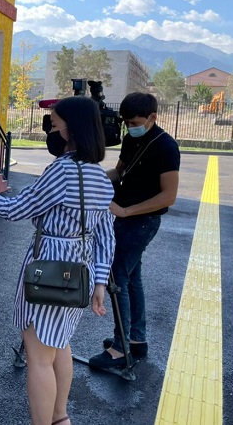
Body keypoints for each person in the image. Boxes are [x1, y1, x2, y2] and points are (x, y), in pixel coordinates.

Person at [0, 96, 116, 425]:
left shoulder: (62, 171)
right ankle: (60, 418)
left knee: (39, 356)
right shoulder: (100, 176)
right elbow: (106, 236)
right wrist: (99, 281)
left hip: (49, 267)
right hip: (80, 269)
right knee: (60, 344)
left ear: (72, 129)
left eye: (54, 124)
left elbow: (16, 209)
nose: (50, 131)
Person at [88, 92, 180, 370]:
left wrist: (127, 211)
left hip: (141, 222)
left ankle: (120, 348)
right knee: (132, 279)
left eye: (135, 123)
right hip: (125, 219)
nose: (130, 127)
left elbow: (168, 196)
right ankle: (136, 340)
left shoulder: (166, 147)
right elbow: (119, 172)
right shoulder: (131, 139)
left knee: (118, 279)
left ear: (153, 117)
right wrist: (91, 178)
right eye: (126, 123)